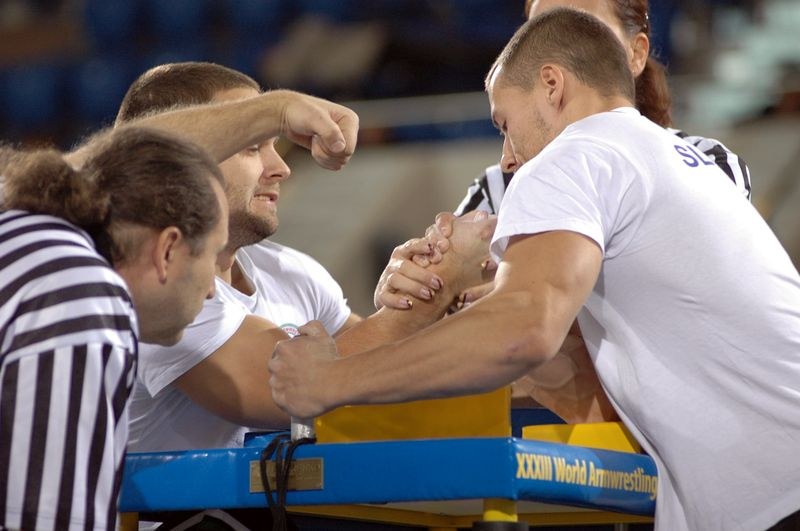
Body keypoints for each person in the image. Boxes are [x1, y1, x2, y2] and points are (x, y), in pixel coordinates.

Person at [268, 9, 800, 530]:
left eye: (504, 123)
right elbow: (588, 380)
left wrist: (330, 379)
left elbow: (520, 329)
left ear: (552, 84)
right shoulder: (679, 159)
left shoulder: (575, 153)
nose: (506, 159)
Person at [373, 0, 754, 425]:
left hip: (686, 431)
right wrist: (414, 284)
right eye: (540, 30)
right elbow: (448, 319)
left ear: (635, 53)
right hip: (534, 446)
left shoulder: (706, 163)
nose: (556, 49)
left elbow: (681, 318)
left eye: (581, 27)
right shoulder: (498, 186)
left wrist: (502, 299)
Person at [113, 62, 494, 454]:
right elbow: (279, 392)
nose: (280, 168)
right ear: (178, 160)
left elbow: (379, 373)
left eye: (274, 146)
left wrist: (423, 299)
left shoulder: (291, 270)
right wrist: (433, 290)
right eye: (252, 147)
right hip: (169, 518)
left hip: (283, 514)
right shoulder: (153, 281)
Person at [0, 127, 228, 531]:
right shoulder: (76, 291)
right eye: (214, 255)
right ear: (168, 249)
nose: (213, 290)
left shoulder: (26, 246)